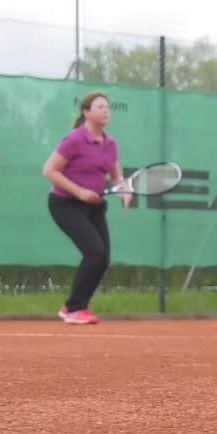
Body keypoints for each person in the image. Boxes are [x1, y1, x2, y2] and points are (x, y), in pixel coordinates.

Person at [42, 91, 132, 325]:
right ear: (86, 112)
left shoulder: (110, 143)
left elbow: (115, 175)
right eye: (100, 106)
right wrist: (80, 192)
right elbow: (49, 171)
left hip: (94, 206)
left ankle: (71, 306)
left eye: (107, 107)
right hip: (65, 204)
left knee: (102, 258)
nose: (106, 110)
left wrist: (124, 190)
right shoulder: (74, 139)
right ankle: (75, 309)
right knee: (95, 252)